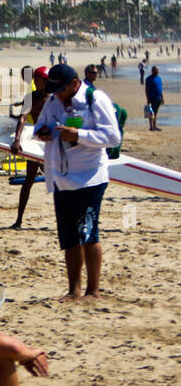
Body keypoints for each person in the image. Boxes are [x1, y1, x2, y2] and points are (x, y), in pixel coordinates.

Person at [32, 63, 120, 301]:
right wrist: (42, 132)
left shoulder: (95, 99)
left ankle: (93, 290)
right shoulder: (53, 101)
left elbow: (113, 136)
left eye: (61, 90)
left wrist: (79, 135)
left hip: (90, 175)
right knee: (68, 236)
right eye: (54, 91)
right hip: (61, 176)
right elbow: (39, 125)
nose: (58, 95)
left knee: (88, 232)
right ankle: (74, 290)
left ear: (74, 84)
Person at [11, 66, 48, 228]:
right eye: (35, 80)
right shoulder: (30, 98)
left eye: (38, 80)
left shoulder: (55, 98)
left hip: (52, 144)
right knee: (29, 180)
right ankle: (19, 220)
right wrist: (17, 140)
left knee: (60, 180)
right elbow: (22, 119)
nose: (35, 82)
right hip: (36, 143)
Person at [145, 65, 164, 132]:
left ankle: (155, 126)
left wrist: (162, 97)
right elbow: (146, 90)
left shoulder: (159, 78)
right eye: (156, 70)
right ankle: (151, 127)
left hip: (158, 98)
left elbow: (160, 89)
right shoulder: (148, 79)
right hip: (152, 98)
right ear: (152, 71)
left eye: (158, 70)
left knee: (155, 113)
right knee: (151, 113)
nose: (157, 71)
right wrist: (148, 99)